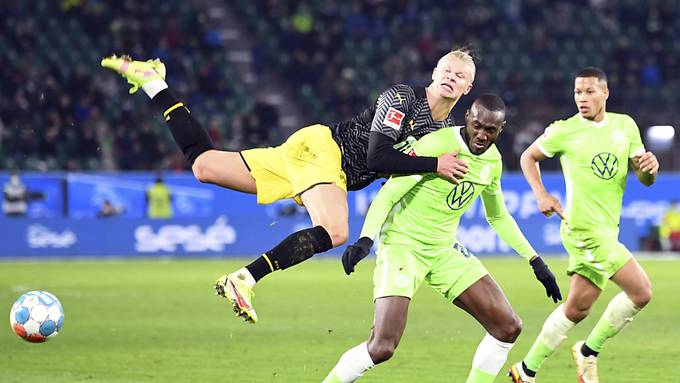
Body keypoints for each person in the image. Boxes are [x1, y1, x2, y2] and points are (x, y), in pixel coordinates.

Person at [101, 49, 474, 323]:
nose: (450, 77)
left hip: (316, 162)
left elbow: (401, 175)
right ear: (434, 70)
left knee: (205, 166)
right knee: (336, 230)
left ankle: (154, 83)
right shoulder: (403, 98)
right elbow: (378, 158)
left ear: (468, 87)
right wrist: (434, 165)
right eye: (445, 69)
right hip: (326, 151)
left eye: (459, 76)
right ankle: (243, 279)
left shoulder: (442, 132)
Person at [323, 94, 562, 383]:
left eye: (490, 130)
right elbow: (389, 193)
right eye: (477, 126)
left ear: (502, 128)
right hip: (403, 246)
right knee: (383, 346)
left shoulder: (493, 162)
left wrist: (535, 260)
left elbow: (497, 216)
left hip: (444, 249)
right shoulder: (437, 144)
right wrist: (365, 239)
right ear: (467, 119)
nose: (482, 135)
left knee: (508, 327)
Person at [508, 67, 659, 383]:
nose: (582, 98)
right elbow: (528, 157)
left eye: (589, 91)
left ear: (605, 93)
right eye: (578, 92)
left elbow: (645, 178)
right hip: (583, 230)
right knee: (641, 291)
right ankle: (589, 352)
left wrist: (650, 169)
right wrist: (541, 194)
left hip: (607, 228)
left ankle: (525, 371)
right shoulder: (565, 130)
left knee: (577, 308)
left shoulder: (625, 126)